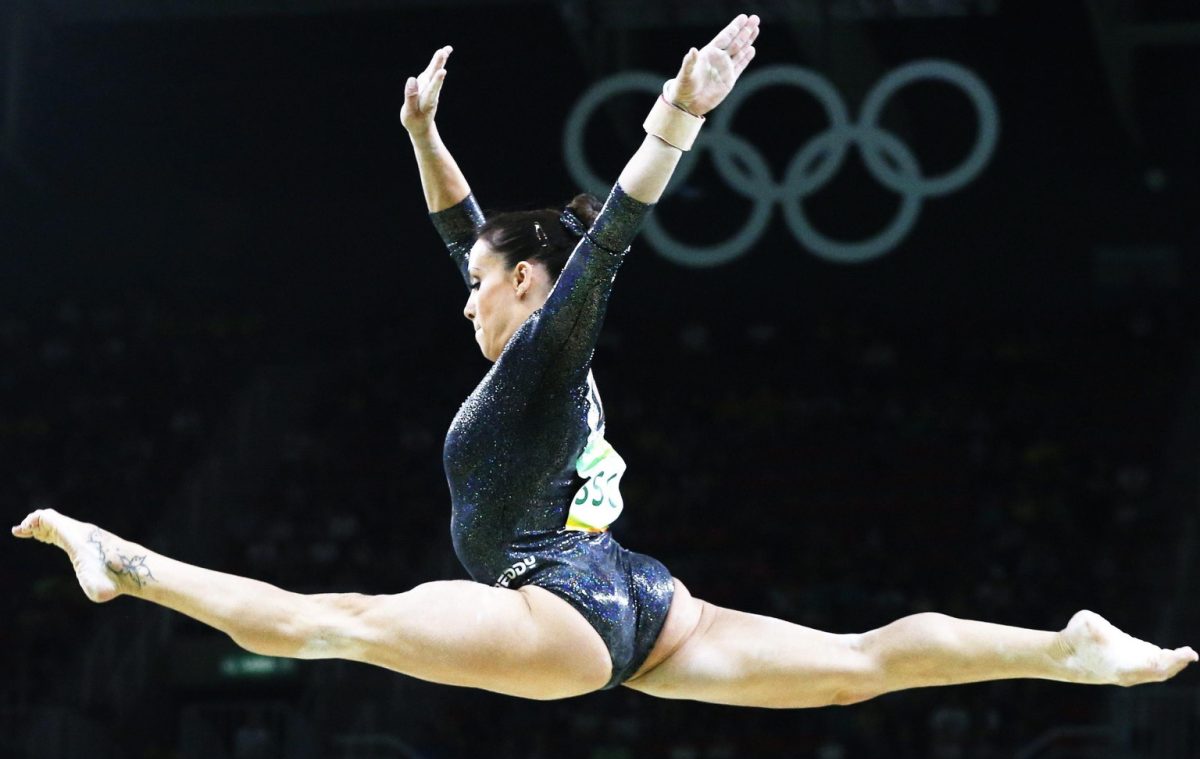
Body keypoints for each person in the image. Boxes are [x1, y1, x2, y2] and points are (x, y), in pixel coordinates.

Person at [12, 14, 1197, 709]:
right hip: (639, 592)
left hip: (562, 600)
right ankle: (1064, 647)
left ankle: (125, 561)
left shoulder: (543, 343)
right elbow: (466, 229)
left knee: (346, 619)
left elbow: (613, 233)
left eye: (483, 281)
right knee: (852, 667)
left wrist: (677, 112)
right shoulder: (526, 353)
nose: (464, 295)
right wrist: (426, 137)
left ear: (529, 283)